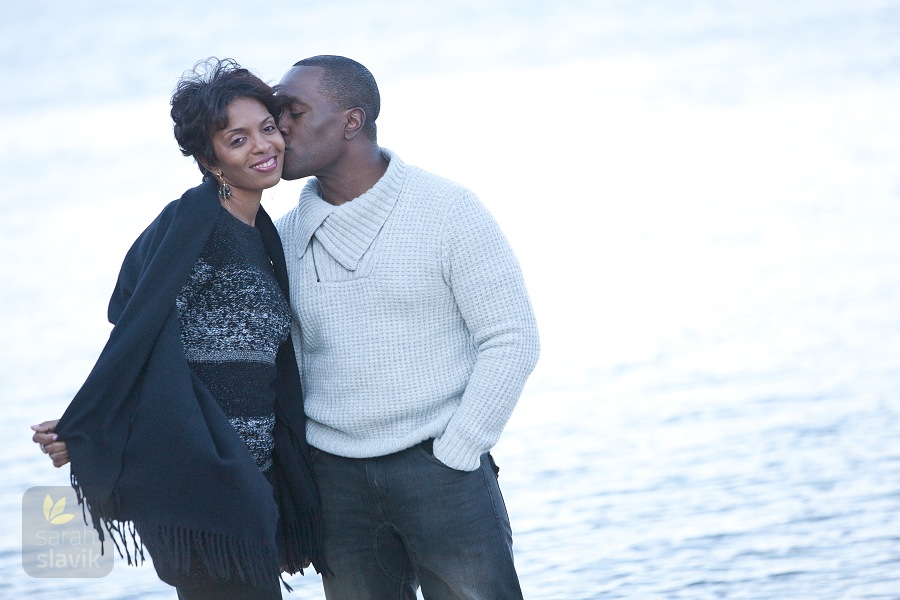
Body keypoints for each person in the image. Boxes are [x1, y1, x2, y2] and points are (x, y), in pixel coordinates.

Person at [30, 57, 324, 599]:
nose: (263, 147)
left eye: (267, 129)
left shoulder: (259, 233)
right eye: (237, 140)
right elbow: (138, 328)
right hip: (202, 481)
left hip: (247, 477)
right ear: (209, 159)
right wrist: (92, 425)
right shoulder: (197, 225)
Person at [272, 55, 540, 600]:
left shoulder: (447, 209)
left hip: (441, 469)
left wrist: (459, 451)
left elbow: (512, 337)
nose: (278, 129)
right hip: (336, 486)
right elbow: (286, 364)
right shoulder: (283, 236)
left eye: (294, 113)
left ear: (351, 120)